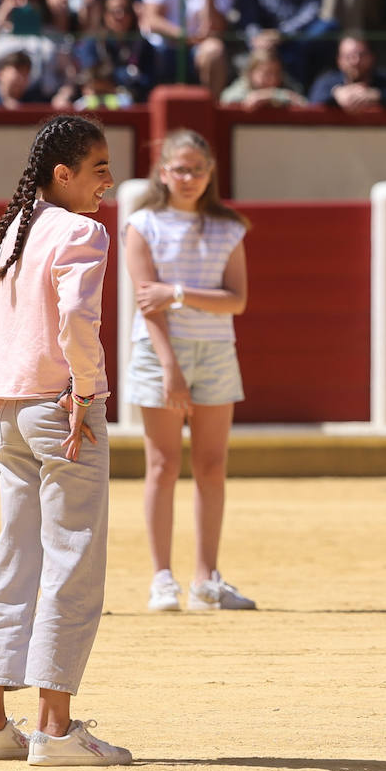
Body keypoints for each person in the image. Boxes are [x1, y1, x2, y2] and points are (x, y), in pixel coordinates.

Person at [0, 114, 131, 766]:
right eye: (99, 168)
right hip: (61, 409)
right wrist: (86, 392)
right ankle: (54, 728)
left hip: (12, 411)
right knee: (71, 556)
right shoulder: (81, 230)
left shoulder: (9, 232)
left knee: (15, 556)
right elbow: (80, 319)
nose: (108, 180)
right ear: (65, 174)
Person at [124, 129, 255, 614]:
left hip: (217, 349)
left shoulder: (228, 227)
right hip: (160, 351)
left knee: (212, 466)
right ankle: (162, 576)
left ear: (209, 173)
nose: (188, 178)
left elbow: (237, 300)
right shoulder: (143, 224)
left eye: (197, 170)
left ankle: (204, 578)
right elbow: (145, 301)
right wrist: (169, 365)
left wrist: (176, 293)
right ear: (163, 172)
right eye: (179, 169)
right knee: (161, 465)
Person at [307, 34, 386, 110]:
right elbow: (313, 101)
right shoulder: (328, 81)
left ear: (371, 57)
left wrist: (376, 95)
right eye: (348, 56)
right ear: (339, 60)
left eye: (361, 55)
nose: (355, 61)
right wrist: (336, 93)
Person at [220, 49, 308, 107]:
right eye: (267, 73)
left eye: (277, 73)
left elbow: (304, 104)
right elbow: (226, 100)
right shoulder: (243, 84)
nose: (273, 79)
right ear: (251, 73)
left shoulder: (286, 84)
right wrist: (250, 99)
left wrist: (272, 95)